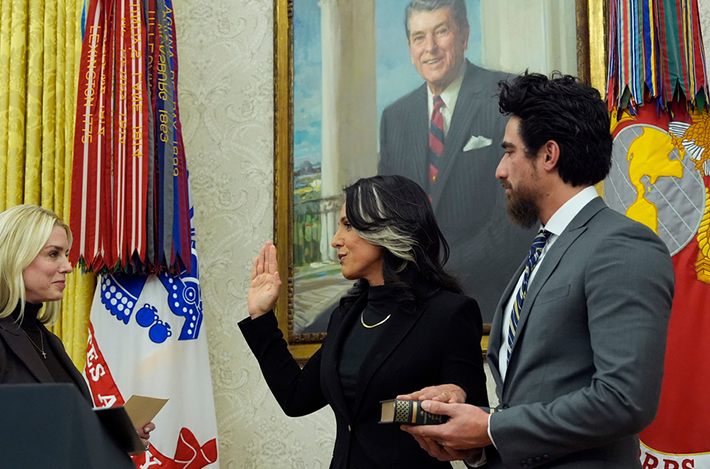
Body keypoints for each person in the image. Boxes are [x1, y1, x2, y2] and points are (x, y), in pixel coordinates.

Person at [402, 73, 676, 468]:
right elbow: (532, 398)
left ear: (548, 155)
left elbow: (624, 400)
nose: (499, 170)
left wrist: (492, 427)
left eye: (509, 152)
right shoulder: (543, 251)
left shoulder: (621, 245)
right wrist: (476, 443)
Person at [240, 175, 488, 469]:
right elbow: (296, 398)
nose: (336, 240)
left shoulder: (449, 313)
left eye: (348, 225)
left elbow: (475, 426)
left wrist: (446, 404)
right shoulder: (345, 315)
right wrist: (261, 316)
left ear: (387, 229)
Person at [0, 204, 155, 450]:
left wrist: (114, 435)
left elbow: (58, 428)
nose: (67, 266)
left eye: (65, 254)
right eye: (54, 254)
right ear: (14, 257)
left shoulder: (48, 340)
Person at [378, 0, 536, 320]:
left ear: (464, 34)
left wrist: (433, 273)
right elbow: (389, 218)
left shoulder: (507, 95)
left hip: (488, 295)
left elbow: (515, 226)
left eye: (442, 31)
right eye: (419, 37)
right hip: (411, 297)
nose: (431, 47)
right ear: (409, 47)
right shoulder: (394, 117)